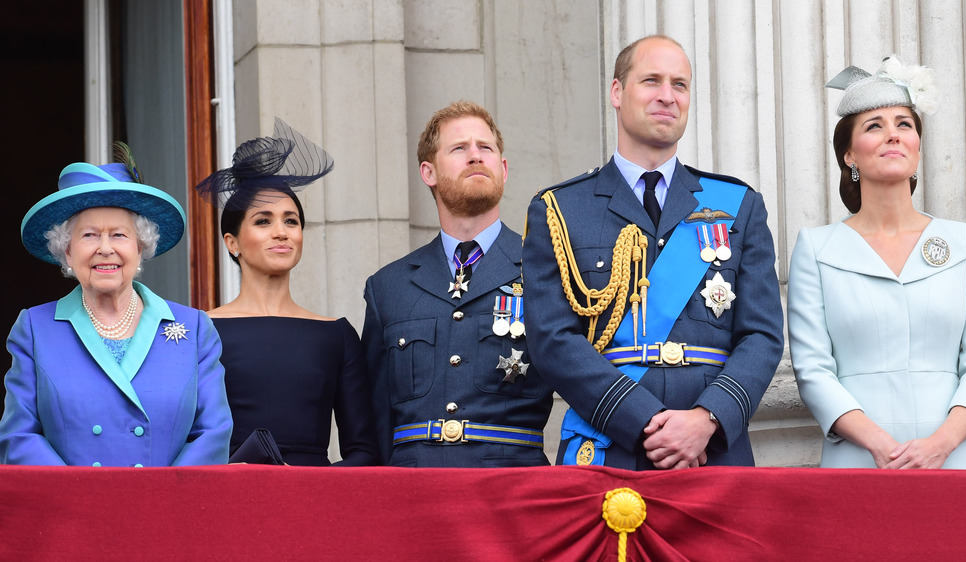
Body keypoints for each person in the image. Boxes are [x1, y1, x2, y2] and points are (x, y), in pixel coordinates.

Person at [522, 35, 783, 470]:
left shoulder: (739, 204)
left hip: (712, 451)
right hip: (611, 444)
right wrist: (647, 420)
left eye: (680, 85)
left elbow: (762, 335)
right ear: (617, 93)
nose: (668, 96)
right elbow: (552, 340)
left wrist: (706, 419)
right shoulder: (560, 209)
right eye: (651, 81)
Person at [788, 56, 966, 469]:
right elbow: (813, 370)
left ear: (918, 148)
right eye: (874, 126)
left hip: (953, 460)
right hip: (858, 461)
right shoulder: (816, 249)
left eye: (904, 124)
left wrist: (940, 444)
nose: (893, 135)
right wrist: (881, 447)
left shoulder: (963, 241)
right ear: (849, 155)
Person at [0, 144, 233, 466]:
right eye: (89, 235)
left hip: (166, 508)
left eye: (119, 235)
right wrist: (80, 498)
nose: (105, 249)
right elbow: (19, 436)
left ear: (141, 248)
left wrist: (164, 499)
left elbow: (213, 433)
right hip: (72, 510)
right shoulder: (35, 328)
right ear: (67, 252)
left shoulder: (193, 328)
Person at [362, 101, 553, 467]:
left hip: (512, 490)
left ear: (504, 168)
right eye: (459, 148)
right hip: (414, 494)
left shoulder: (546, 271)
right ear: (428, 172)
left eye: (486, 148)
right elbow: (375, 419)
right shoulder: (389, 287)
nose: (475, 156)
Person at [198, 118, 379, 466]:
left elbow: (364, 451)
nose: (281, 232)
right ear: (232, 242)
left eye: (291, 220)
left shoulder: (337, 335)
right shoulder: (201, 330)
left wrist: (313, 489)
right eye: (263, 221)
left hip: (314, 506)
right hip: (226, 501)